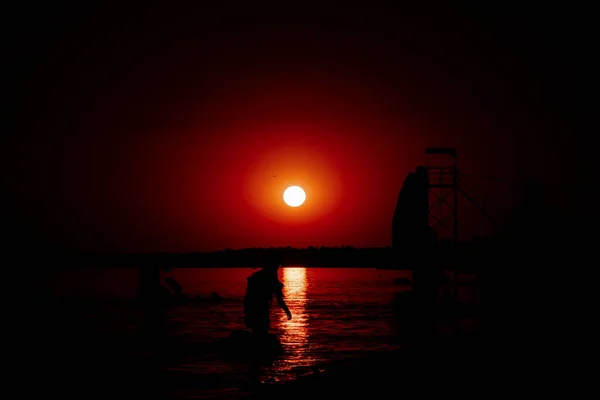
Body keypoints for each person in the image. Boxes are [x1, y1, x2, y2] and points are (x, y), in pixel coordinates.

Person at [243, 254, 292, 336]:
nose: (278, 268)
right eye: (277, 265)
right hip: (257, 309)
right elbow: (279, 299)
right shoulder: (267, 277)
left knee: (258, 332)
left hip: (253, 308)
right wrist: (287, 311)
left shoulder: (258, 276)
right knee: (261, 332)